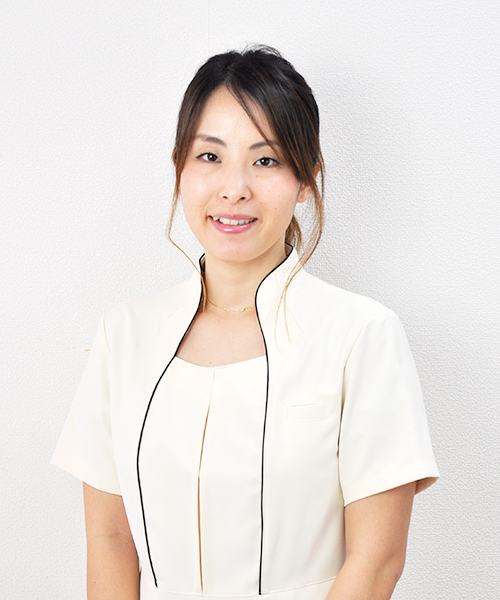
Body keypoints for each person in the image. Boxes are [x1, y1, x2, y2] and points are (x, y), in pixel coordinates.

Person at [52, 46, 439, 600]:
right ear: (180, 168)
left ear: (306, 178)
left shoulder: (361, 335)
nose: (234, 188)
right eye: (210, 156)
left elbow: (376, 561)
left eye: (266, 160)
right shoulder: (125, 334)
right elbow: (111, 539)